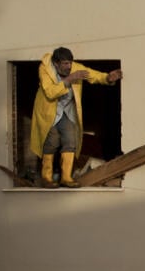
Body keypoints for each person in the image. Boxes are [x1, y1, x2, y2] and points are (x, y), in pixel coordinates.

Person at [29, 47, 122, 188]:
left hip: (67, 112)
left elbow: (92, 75)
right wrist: (69, 79)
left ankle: (66, 177)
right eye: (65, 64)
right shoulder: (45, 69)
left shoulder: (74, 68)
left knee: (70, 140)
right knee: (51, 142)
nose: (69, 67)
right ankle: (46, 178)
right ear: (56, 63)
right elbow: (50, 92)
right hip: (49, 113)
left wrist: (107, 78)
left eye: (70, 63)